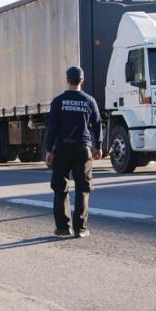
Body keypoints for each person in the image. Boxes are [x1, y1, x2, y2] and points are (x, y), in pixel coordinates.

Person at [44, 66, 102, 238]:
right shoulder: (89, 101)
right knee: (83, 189)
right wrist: (98, 146)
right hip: (82, 149)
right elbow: (97, 124)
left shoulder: (58, 101)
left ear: (67, 79)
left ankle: (62, 227)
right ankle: (80, 229)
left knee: (60, 188)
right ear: (82, 81)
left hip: (62, 148)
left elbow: (52, 127)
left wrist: (49, 150)